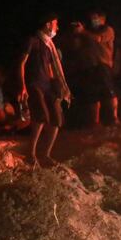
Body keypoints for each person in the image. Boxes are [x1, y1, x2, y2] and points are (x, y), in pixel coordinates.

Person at [18, 13, 71, 167]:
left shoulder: (49, 46)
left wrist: (58, 86)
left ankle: (45, 154)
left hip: (47, 85)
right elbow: (21, 63)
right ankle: (31, 154)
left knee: (56, 119)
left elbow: (50, 68)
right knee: (41, 116)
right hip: (34, 83)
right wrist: (22, 86)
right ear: (48, 24)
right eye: (56, 24)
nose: (57, 28)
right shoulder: (33, 41)